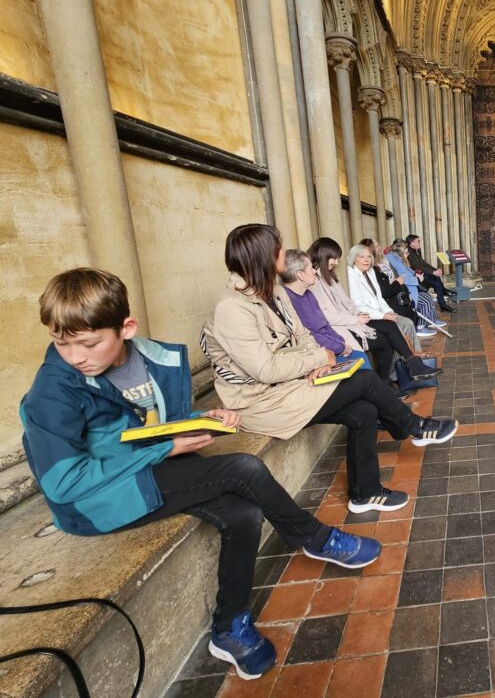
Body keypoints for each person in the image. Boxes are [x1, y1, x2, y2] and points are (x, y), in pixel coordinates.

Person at [20, 267, 383, 681]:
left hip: (150, 467)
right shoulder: (53, 389)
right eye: (60, 342)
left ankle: (229, 628)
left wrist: (202, 418)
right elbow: (64, 482)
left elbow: (153, 423)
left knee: (244, 513)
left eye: (88, 343)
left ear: (126, 327)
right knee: (242, 468)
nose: (75, 356)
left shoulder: (151, 358)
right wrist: (166, 446)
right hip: (97, 498)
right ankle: (314, 538)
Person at [201, 224, 458, 516]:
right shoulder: (232, 308)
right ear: (263, 256)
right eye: (278, 249)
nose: (284, 253)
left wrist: (320, 360)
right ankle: (413, 426)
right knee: (363, 379)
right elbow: (265, 369)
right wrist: (317, 358)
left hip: (293, 384)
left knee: (364, 411)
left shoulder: (273, 292)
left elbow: (303, 336)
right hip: (261, 402)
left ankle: (365, 494)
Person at [281, 249, 440, 384]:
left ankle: (405, 370)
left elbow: (353, 302)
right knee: (387, 337)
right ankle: (394, 378)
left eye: (369, 256)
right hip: (344, 327)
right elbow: (324, 320)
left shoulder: (330, 279)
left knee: (393, 325)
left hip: (350, 322)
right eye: (333, 258)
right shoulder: (313, 286)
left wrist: (362, 314)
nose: (336, 262)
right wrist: (350, 329)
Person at [307, 236, 427, 355]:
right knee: (395, 328)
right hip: (351, 322)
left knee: (405, 321)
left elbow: (372, 298)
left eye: (369, 256)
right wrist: (376, 316)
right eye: (362, 256)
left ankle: (414, 359)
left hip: (361, 316)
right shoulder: (341, 276)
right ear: (354, 259)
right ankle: (410, 363)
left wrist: (388, 312)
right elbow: (351, 306)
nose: (367, 260)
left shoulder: (368, 272)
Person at [387, 238, 444, 338]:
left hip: (408, 287)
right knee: (425, 300)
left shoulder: (398, 259)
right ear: (400, 251)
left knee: (427, 296)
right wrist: (417, 280)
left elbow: (409, 270)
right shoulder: (395, 259)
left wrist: (416, 275)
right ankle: (420, 326)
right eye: (406, 251)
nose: (408, 253)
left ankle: (430, 320)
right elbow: (404, 276)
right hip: (404, 291)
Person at [406, 233, 456, 312]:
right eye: (418, 241)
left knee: (437, 278)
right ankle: (443, 299)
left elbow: (424, 263)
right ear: (412, 243)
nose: (420, 242)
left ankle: (443, 299)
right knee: (436, 283)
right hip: (417, 277)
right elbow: (418, 267)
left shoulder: (417, 250)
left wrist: (435, 270)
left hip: (422, 273)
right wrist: (433, 272)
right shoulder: (409, 253)